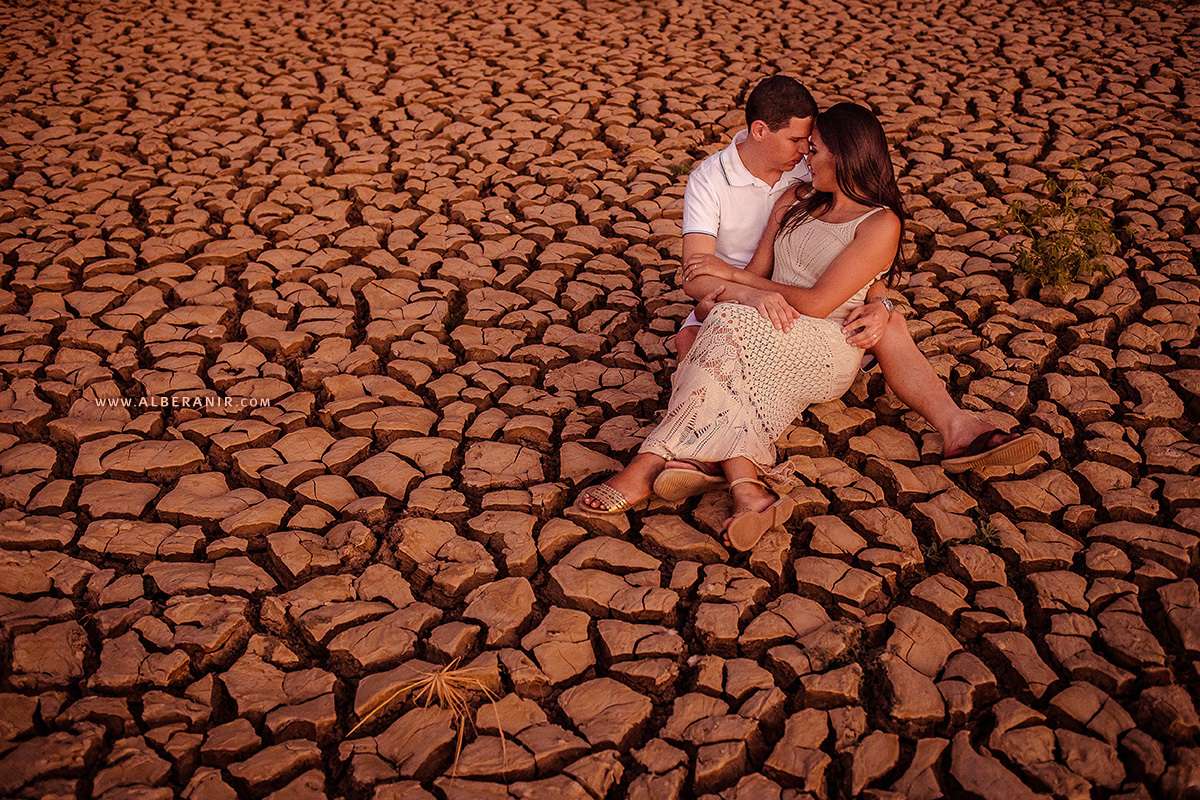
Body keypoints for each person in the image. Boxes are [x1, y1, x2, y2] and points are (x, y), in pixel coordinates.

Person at [578, 103, 1037, 550]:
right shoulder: (797, 198)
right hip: (769, 323)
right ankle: (747, 489)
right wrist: (747, 288)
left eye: (813, 149)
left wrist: (735, 281)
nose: (804, 157)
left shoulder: (879, 223)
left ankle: (646, 464)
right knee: (709, 334)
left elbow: (818, 303)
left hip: (828, 340)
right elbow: (763, 269)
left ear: (844, 156)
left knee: (726, 320)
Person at [675, 75, 1037, 475]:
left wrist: (880, 300)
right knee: (692, 338)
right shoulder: (718, 180)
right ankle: (719, 457)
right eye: (800, 144)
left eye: (811, 146)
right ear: (760, 131)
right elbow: (706, 274)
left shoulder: (808, 177)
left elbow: (855, 252)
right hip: (744, 296)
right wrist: (739, 287)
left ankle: (959, 428)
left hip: (807, 308)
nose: (804, 154)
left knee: (889, 321)